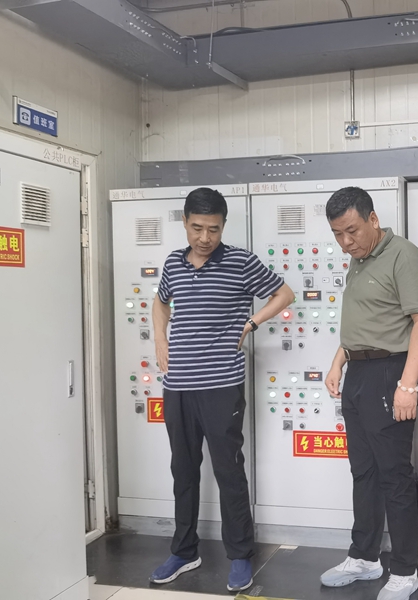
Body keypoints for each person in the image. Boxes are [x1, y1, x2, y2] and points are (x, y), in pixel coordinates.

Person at [148, 188, 294, 592]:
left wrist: (252, 323)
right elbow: (161, 302)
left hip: (221, 385)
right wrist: (160, 337)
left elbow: (285, 293)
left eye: (213, 229)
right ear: (185, 222)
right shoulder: (173, 263)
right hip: (178, 384)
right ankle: (184, 551)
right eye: (197, 228)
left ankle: (240, 554)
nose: (205, 237)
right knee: (183, 469)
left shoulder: (240, 262)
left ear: (223, 226)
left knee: (228, 470)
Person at [318, 187, 418, 600]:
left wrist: (408, 384)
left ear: (373, 218)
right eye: (337, 234)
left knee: (393, 475)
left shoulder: (405, 255)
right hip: (359, 372)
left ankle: (404, 570)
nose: (346, 242)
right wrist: (338, 361)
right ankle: (364, 557)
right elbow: (363, 321)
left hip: (391, 372)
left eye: (352, 230)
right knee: (363, 471)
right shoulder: (359, 259)